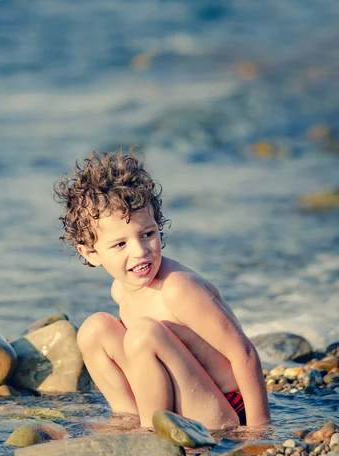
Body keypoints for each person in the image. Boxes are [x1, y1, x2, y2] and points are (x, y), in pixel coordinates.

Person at [55, 151, 270, 429]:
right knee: (94, 330)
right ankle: (130, 420)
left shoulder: (178, 289)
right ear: (91, 253)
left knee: (143, 335)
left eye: (148, 234)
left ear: (159, 225)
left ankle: (149, 433)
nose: (140, 251)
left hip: (224, 412)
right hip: (181, 401)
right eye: (120, 244)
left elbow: (245, 354)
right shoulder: (120, 290)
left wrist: (259, 430)